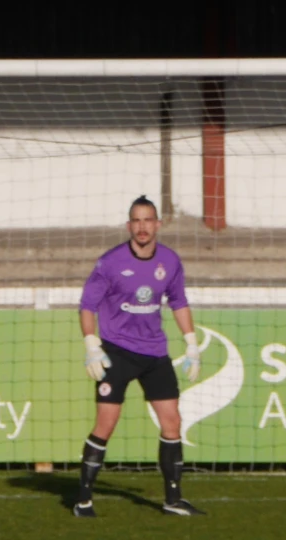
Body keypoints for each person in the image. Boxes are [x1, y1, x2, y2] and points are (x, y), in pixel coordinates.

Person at [74, 197, 202, 516]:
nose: (142, 227)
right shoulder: (110, 262)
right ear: (129, 225)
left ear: (158, 224)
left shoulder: (170, 261)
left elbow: (179, 301)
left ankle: (173, 499)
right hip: (117, 352)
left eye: (148, 220)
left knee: (172, 422)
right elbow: (87, 306)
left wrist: (191, 344)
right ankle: (83, 498)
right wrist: (92, 344)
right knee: (106, 424)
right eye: (136, 220)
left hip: (155, 352)